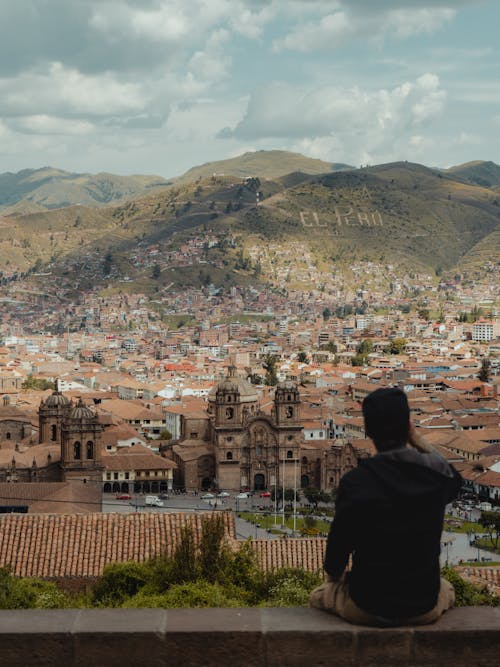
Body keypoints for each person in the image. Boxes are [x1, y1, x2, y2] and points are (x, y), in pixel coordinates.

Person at [310, 387, 462, 626]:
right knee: (448, 588)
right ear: (408, 426)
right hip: (423, 605)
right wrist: (418, 440)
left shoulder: (356, 482)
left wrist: (333, 580)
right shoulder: (434, 476)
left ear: (368, 430)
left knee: (319, 596)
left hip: (367, 604)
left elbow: (337, 552)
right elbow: (455, 479)